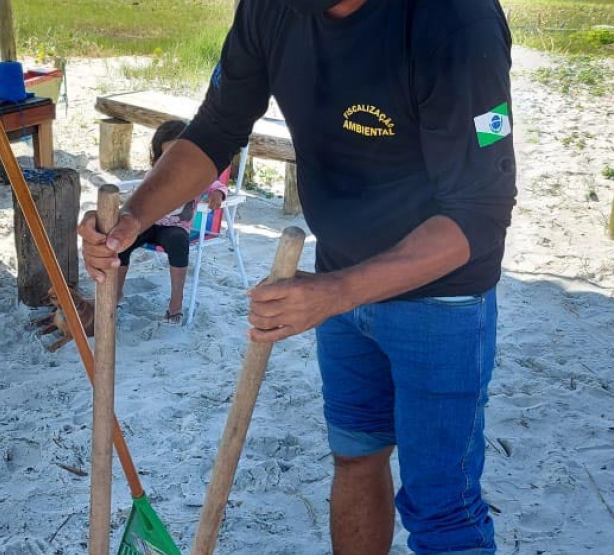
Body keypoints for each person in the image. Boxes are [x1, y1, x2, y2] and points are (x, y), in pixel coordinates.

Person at [79, 0, 516, 553]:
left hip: (441, 298)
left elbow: (479, 214)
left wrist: (334, 293)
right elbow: (216, 129)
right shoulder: (272, 7)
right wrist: (135, 221)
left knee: (441, 506)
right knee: (356, 456)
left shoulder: (454, 19)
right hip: (337, 281)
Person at [117, 120, 227, 324]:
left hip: (175, 228)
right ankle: (117, 291)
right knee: (124, 239)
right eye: (165, 157)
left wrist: (218, 194)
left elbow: (217, 185)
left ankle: (176, 302)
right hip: (149, 223)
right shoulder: (155, 175)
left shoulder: (197, 175)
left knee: (178, 242)